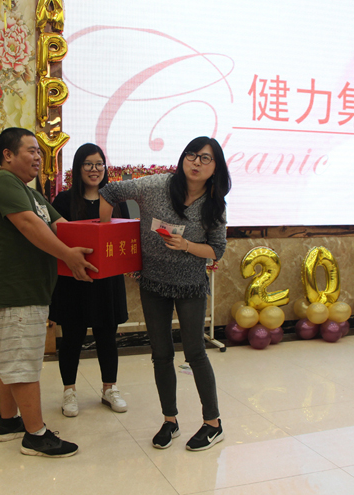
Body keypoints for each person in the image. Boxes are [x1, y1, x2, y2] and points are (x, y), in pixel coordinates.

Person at [99, 136, 231, 451]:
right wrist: (107, 233)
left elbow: (217, 249)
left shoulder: (214, 204)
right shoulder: (157, 185)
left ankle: (213, 424)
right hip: (153, 283)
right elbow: (110, 192)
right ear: (182, 158)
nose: (196, 162)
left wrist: (187, 245)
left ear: (215, 168)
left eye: (205, 158)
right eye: (191, 155)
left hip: (190, 285)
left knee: (195, 353)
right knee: (160, 354)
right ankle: (170, 421)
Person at [0, 127, 98, 458]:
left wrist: (100, 247)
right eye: (30, 150)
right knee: (22, 364)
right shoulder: (1, 181)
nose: (37, 157)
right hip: (13, 292)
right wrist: (68, 255)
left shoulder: (30, 193)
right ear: (8, 155)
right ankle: (36, 435)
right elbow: (30, 226)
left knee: (11, 360)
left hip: (28, 291)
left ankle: (8, 422)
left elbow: (61, 226)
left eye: (39, 152)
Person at [49, 143, 129, 417]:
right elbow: (55, 239)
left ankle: (109, 389)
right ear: (78, 167)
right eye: (88, 164)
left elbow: (124, 237)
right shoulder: (63, 201)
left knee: (107, 336)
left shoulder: (115, 201)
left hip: (108, 281)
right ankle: (69, 391)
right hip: (74, 280)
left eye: (99, 164)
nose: (94, 170)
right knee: (72, 337)